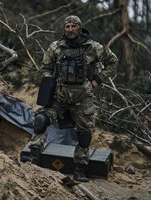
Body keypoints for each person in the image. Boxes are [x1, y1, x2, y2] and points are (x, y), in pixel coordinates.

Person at [26, 15, 118, 182]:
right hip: (60, 96)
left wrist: (97, 81)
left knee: (84, 134)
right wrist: (50, 83)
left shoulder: (93, 47)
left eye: (73, 26)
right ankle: (33, 155)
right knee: (40, 119)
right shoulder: (56, 47)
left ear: (79, 28)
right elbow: (46, 68)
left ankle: (80, 168)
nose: (70, 29)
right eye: (67, 26)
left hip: (83, 97)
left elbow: (113, 61)